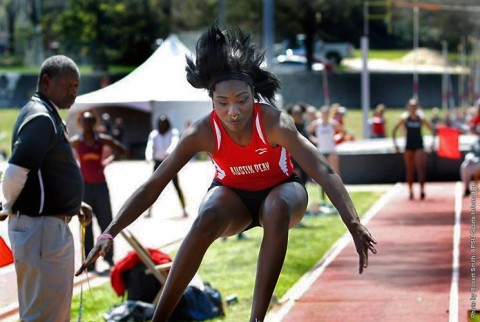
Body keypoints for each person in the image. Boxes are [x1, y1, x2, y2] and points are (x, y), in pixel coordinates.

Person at [75, 25, 376, 322]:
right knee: (205, 217)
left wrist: (353, 222)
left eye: (242, 100)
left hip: (283, 190)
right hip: (233, 198)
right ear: (211, 101)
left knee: (275, 207)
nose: (233, 111)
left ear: (253, 95)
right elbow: (154, 184)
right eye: (223, 103)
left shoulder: (273, 123)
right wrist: (109, 232)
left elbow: (322, 169)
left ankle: (256, 319)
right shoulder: (203, 132)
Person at [0, 55, 93, 321]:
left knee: (52, 311)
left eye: (76, 86)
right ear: (46, 82)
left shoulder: (45, 113)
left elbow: (44, 174)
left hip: (47, 229)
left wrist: (74, 205)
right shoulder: (41, 117)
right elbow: (15, 171)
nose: (73, 91)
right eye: (67, 85)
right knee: (43, 314)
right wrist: (8, 204)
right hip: (40, 230)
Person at [70, 111, 128, 272]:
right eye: (85, 121)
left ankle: (109, 259)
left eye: (90, 121)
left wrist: (107, 161)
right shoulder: (76, 142)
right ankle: (91, 263)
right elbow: (62, 155)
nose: (88, 124)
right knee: (86, 225)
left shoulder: (100, 139)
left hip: (101, 186)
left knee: (106, 223)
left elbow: (121, 149)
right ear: (81, 123)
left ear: (94, 122)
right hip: (85, 188)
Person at [145, 114, 188, 217]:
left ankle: (184, 209)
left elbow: (175, 142)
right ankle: (149, 211)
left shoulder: (173, 132)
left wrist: (168, 151)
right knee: (152, 187)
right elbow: (150, 146)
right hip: (158, 163)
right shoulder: (154, 134)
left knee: (177, 186)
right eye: (160, 124)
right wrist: (148, 155)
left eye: (164, 124)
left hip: (170, 163)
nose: (162, 126)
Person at [392, 98, 434, 200]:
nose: (413, 108)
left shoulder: (421, 118)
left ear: (417, 107)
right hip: (408, 146)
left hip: (419, 145)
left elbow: (432, 129)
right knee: (410, 170)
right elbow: (394, 130)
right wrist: (396, 144)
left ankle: (422, 190)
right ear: (408, 107)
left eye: (415, 106)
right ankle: (410, 191)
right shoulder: (405, 118)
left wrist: (432, 143)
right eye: (411, 106)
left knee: (420, 169)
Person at [308, 105, 344, 175]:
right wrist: (314, 139)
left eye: (326, 113)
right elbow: (307, 133)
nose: (325, 115)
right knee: (323, 170)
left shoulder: (332, 123)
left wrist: (337, 137)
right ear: (321, 114)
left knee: (335, 170)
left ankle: (336, 185)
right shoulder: (317, 123)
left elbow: (342, 131)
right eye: (324, 113)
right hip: (321, 150)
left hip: (331, 149)